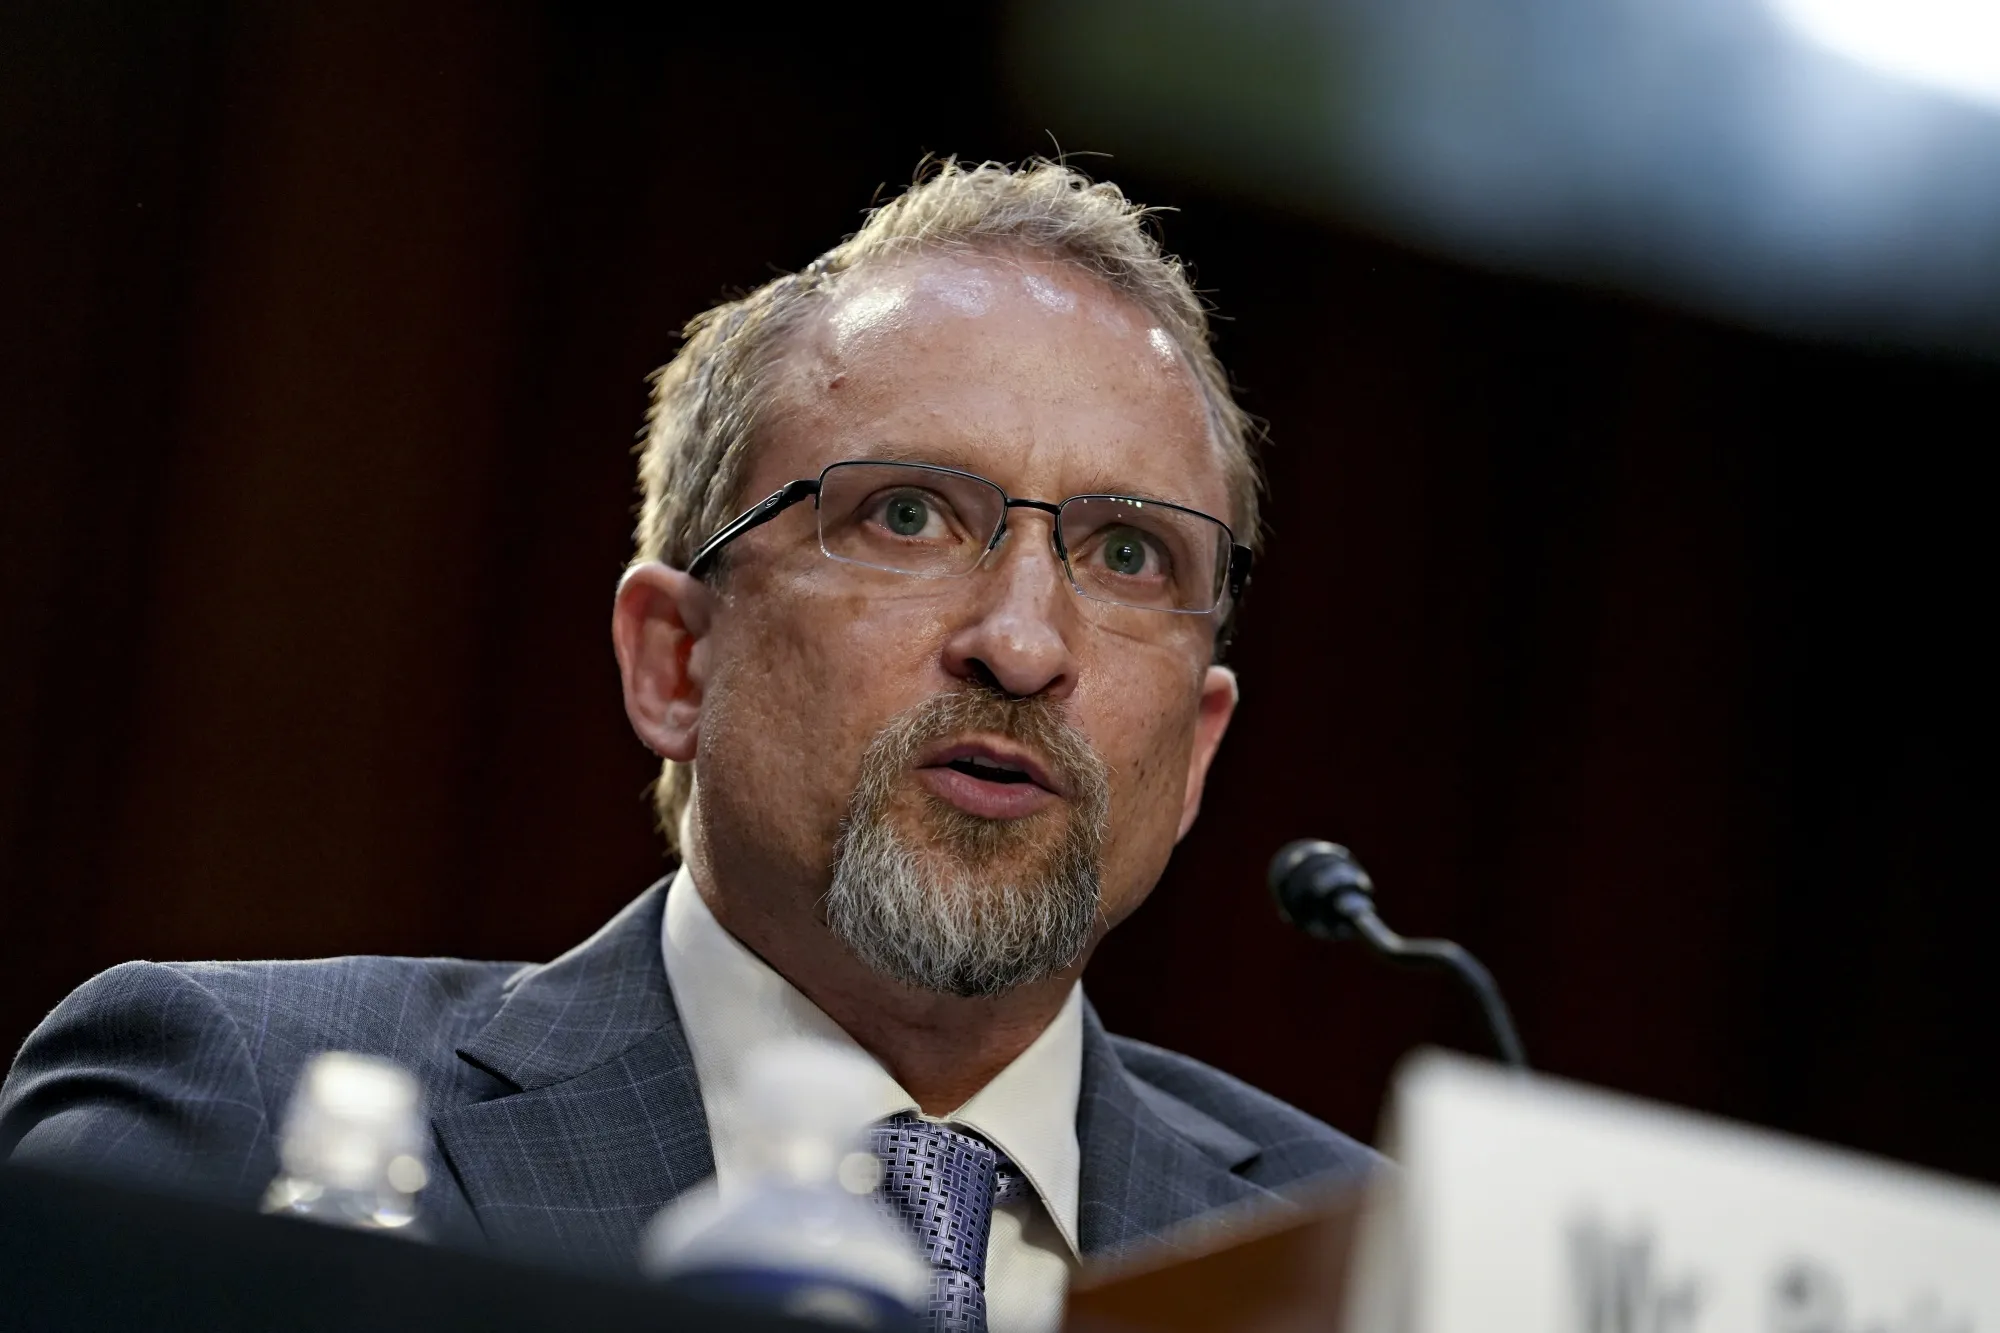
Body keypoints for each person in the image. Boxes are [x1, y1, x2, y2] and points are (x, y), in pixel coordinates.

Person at [0, 160, 1375, 1332]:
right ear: (674, 661)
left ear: (1198, 751)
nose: (1021, 644)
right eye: (905, 517)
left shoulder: (1386, 1271)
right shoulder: (237, 1112)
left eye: (1127, 553)